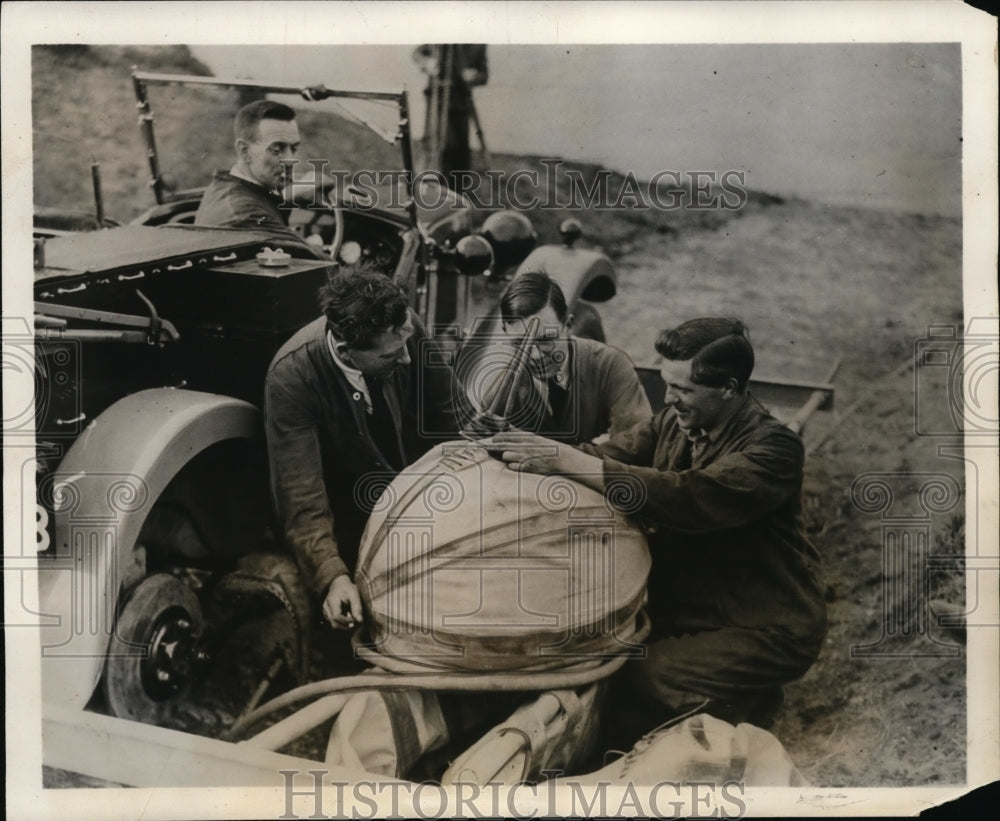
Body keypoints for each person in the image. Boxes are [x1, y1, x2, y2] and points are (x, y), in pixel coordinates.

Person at [492, 318, 827, 745]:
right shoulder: (674, 422)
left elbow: (688, 497)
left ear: (729, 387)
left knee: (650, 676)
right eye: (667, 385)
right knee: (603, 658)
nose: (669, 398)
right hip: (694, 607)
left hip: (764, 625)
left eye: (683, 390)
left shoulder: (774, 450)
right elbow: (606, 456)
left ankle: (751, 710)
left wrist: (566, 462)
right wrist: (513, 454)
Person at [264, 266, 458, 629]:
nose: (406, 359)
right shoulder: (291, 379)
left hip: (422, 498)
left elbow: (451, 414)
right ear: (345, 350)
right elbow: (302, 497)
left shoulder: (402, 327)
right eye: (388, 357)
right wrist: (332, 577)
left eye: (405, 344)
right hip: (352, 521)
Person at [477, 272, 651, 443]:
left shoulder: (610, 365)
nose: (535, 355)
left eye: (546, 340)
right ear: (505, 332)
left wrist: (554, 456)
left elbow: (637, 447)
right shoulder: (499, 393)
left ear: (568, 326)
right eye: (520, 343)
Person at [195, 99, 326, 259]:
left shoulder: (224, 188)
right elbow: (323, 265)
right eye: (277, 150)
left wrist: (286, 196)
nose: (290, 161)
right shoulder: (248, 215)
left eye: (294, 149)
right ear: (244, 151)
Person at [414, 44, 488, 195]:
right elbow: (418, 53)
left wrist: (474, 76)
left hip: (461, 103)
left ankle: (457, 197)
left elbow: (484, 75)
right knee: (440, 147)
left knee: (461, 153)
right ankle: (431, 191)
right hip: (437, 101)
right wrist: (427, 63)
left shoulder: (478, 44)